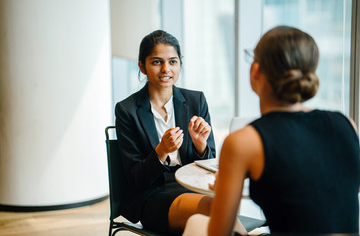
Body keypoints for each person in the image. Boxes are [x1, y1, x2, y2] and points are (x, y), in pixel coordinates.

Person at [183, 26, 360, 235]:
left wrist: (224, 191)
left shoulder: (243, 142)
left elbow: (219, 233)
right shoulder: (347, 124)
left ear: (255, 71)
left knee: (196, 222)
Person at [115, 29, 217, 235]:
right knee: (214, 210)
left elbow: (210, 162)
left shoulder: (196, 101)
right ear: (142, 66)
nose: (165, 69)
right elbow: (135, 180)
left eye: (172, 61)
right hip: (152, 195)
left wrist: (200, 146)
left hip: (191, 186)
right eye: (156, 62)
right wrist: (161, 151)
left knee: (218, 209)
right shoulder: (127, 110)